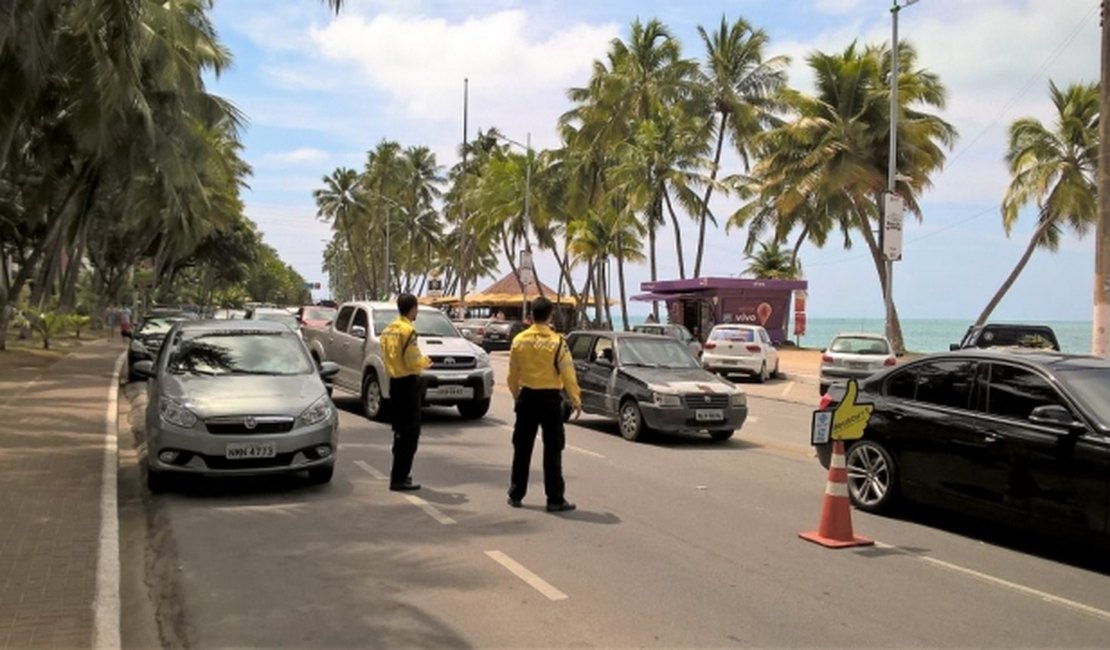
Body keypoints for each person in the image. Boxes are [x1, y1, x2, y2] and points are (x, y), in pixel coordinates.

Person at [506, 296, 582, 512]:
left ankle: (516, 493)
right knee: (553, 449)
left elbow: (512, 374)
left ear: (531, 315)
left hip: (527, 397)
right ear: (550, 316)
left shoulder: (519, 340)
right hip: (550, 399)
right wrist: (575, 400)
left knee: (522, 447)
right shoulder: (558, 342)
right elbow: (568, 373)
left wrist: (516, 395)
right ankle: (554, 498)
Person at [380, 293, 431, 491]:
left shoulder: (388, 330)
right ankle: (399, 478)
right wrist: (425, 362)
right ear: (412, 308)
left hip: (395, 382)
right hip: (408, 384)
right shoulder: (408, 331)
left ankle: (399, 474)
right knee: (410, 433)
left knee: (400, 431)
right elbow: (412, 361)